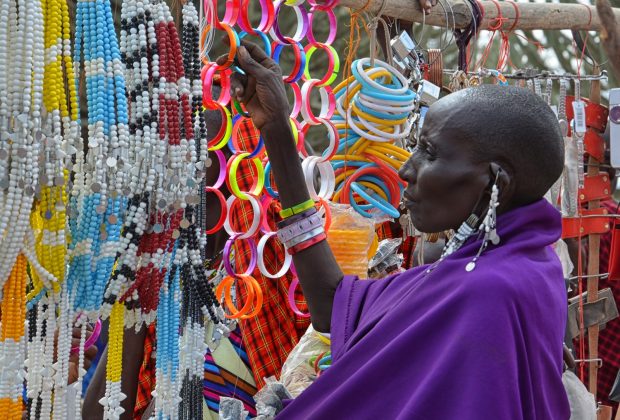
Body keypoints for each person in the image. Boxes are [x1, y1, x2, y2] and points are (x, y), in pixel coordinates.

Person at [225, 40, 570, 418]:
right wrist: (277, 131)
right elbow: (334, 305)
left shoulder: (487, 292)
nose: (407, 169)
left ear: (495, 184)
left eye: (430, 153)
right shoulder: (515, 263)